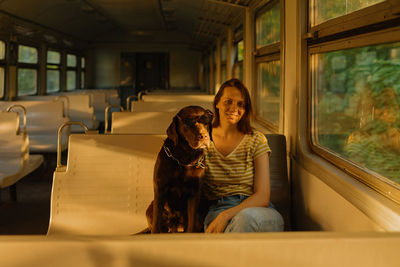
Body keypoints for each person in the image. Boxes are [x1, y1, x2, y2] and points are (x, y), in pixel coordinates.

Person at [203, 78, 284, 233]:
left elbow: (262, 196)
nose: (234, 108)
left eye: (241, 104)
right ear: (217, 103)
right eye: (228, 101)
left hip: (259, 212)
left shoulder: (256, 139)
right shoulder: (203, 139)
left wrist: (226, 215)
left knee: (246, 218)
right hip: (217, 210)